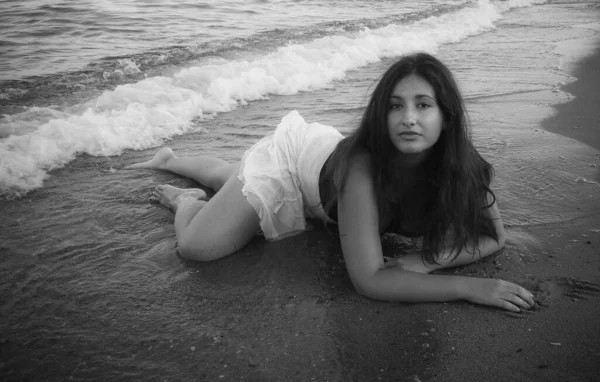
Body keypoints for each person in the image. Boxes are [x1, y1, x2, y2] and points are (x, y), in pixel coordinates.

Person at [126, 52, 535, 313]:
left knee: (233, 177)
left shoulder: (465, 166)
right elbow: (369, 280)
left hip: (326, 184)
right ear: (381, 114)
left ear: (446, 115)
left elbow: (493, 236)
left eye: (423, 105)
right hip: (294, 161)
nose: (408, 118)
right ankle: (186, 199)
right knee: (199, 247)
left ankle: (174, 159)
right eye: (395, 106)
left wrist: (426, 260)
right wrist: (468, 288)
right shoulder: (364, 166)